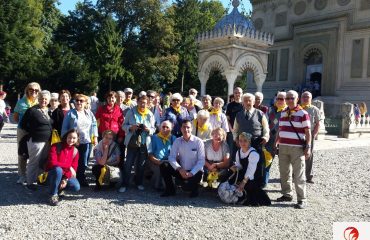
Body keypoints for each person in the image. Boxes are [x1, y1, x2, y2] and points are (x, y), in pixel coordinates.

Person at [275, 90, 311, 209]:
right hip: (283, 146)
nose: (290, 100)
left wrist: (308, 146)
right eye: (288, 98)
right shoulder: (283, 112)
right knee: (284, 172)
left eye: (292, 98)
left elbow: (308, 132)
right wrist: (276, 142)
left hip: (297, 148)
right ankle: (287, 194)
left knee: (299, 174)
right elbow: (280, 129)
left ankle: (302, 199)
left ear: (297, 99)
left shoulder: (303, 113)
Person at [119, 95, 155, 193]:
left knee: (141, 165)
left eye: (145, 103)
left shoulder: (150, 114)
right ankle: (125, 183)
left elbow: (153, 128)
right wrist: (131, 127)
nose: (143, 104)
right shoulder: (131, 112)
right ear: (137, 102)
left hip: (144, 142)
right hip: (132, 141)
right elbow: (123, 126)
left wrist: (148, 130)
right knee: (128, 164)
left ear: (148, 103)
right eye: (141, 102)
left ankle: (138, 182)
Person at [160, 120, 205, 198]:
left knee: (186, 187)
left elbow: (201, 161)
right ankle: (170, 190)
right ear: (181, 129)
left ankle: (194, 189)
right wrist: (179, 169)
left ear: (192, 129)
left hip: (194, 172)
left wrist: (192, 173)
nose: (186, 129)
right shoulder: (177, 141)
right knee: (164, 165)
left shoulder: (198, 142)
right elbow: (171, 157)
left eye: (188, 127)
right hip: (182, 170)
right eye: (184, 127)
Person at [61, 94, 98, 187]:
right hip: (74, 142)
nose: (79, 102)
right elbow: (64, 128)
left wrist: (95, 137)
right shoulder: (70, 113)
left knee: (84, 161)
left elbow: (94, 124)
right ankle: (70, 178)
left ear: (85, 103)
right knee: (72, 160)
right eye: (77, 100)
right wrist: (65, 140)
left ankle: (81, 177)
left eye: (81, 101)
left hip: (87, 141)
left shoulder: (89, 113)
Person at [20, 90, 53, 190]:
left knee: (43, 161)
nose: (43, 100)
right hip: (36, 140)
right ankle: (30, 182)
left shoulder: (49, 110)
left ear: (49, 101)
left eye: (46, 99)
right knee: (34, 161)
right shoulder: (32, 110)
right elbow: (23, 124)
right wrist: (33, 131)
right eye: (41, 98)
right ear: (38, 99)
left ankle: (40, 179)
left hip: (47, 141)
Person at [228, 132, 271, 206]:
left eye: (245, 141)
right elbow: (239, 166)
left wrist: (243, 183)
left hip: (254, 176)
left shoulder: (253, 153)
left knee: (249, 190)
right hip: (245, 173)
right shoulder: (238, 152)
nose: (242, 143)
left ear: (249, 142)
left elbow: (251, 171)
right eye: (240, 141)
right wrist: (234, 167)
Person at [14, 82, 41, 184]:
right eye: (31, 89)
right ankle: (22, 175)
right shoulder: (21, 102)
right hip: (23, 130)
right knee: (22, 152)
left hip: (36, 131)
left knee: (35, 152)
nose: (33, 91)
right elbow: (16, 117)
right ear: (27, 90)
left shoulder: (41, 101)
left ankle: (33, 174)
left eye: (36, 90)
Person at [45, 129, 80, 206]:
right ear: (66, 137)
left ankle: (59, 189)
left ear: (77, 139)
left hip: (65, 175)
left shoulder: (75, 151)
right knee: (58, 170)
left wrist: (65, 179)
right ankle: (53, 195)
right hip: (53, 173)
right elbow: (52, 163)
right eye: (69, 137)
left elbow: (74, 169)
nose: (71, 140)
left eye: (74, 138)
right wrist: (68, 166)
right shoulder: (56, 146)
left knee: (76, 187)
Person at [233, 93, 269, 162]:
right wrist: (235, 139)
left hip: (256, 142)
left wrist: (265, 137)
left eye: (249, 100)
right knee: (243, 164)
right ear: (243, 103)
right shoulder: (238, 114)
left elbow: (266, 127)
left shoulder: (260, 113)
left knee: (257, 164)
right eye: (245, 101)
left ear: (253, 102)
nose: (248, 102)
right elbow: (235, 129)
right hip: (242, 143)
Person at [264, 91, 287, 187]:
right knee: (267, 161)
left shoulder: (288, 111)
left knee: (284, 165)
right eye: (277, 98)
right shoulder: (270, 110)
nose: (279, 101)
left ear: (285, 100)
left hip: (284, 141)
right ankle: (264, 183)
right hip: (270, 139)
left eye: (281, 99)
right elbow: (265, 123)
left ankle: (285, 187)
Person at [147, 120, 176, 190]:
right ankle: (157, 185)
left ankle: (169, 186)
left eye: (167, 127)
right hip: (156, 161)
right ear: (160, 128)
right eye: (163, 127)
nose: (165, 128)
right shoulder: (153, 138)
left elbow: (177, 153)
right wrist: (158, 162)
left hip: (170, 161)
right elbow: (150, 154)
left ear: (171, 129)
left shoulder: (173, 138)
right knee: (160, 169)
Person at [300, 91, 320, 184]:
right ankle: (294, 175)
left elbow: (318, 123)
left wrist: (314, 135)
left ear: (311, 99)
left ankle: (309, 176)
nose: (305, 98)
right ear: (301, 98)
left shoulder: (315, 109)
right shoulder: (297, 108)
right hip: (298, 134)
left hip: (310, 135)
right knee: (296, 154)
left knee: (309, 155)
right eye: (304, 96)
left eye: (307, 97)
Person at [226, 87, 243, 161]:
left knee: (242, 150)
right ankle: (231, 169)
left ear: (242, 94)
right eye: (235, 93)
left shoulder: (244, 104)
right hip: (232, 131)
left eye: (239, 92)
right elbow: (227, 119)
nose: (237, 94)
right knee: (232, 150)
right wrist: (232, 130)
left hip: (242, 131)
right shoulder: (230, 105)